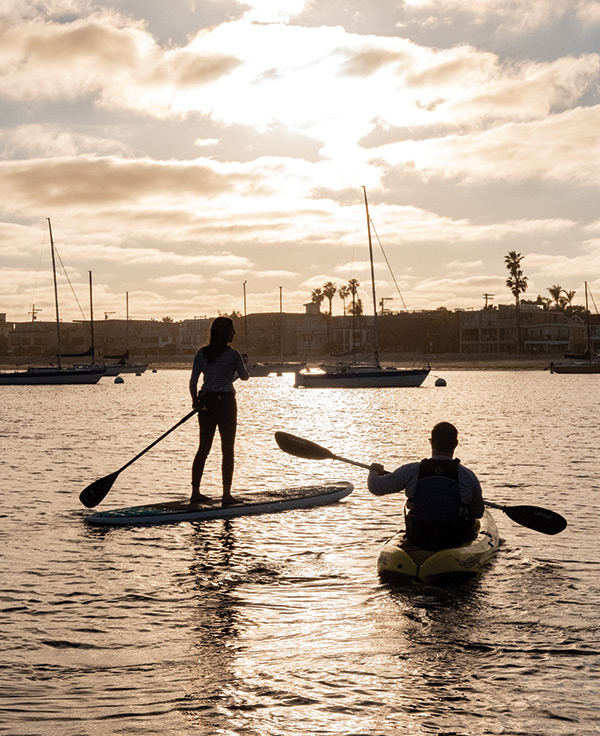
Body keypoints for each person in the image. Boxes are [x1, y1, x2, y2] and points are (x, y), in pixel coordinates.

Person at [368, 422, 484, 550]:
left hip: (418, 537)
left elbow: (375, 487)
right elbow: (478, 512)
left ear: (431, 442)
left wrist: (374, 471)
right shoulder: (468, 476)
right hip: (453, 538)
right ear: (455, 444)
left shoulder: (411, 470)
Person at [189, 316, 249, 505]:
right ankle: (226, 495)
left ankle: (195, 492)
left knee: (203, 449)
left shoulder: (201, 353)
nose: (234, 333)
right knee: (227, 450)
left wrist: (194, 401)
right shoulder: (233, 355)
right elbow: (245, 376)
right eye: (232, 329)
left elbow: (193, 381)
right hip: (225, 404)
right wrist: (243, 367)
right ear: (225, 332)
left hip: (206, 403)